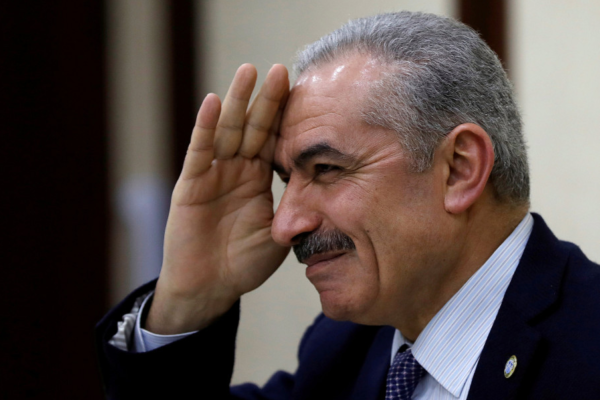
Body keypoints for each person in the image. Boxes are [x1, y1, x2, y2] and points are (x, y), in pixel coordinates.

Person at [96, 11, 600, 399]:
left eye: (326, 169)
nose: (284, 225)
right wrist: (190, 299)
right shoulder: (345, 347)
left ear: (459, 169)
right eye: (285, 179)